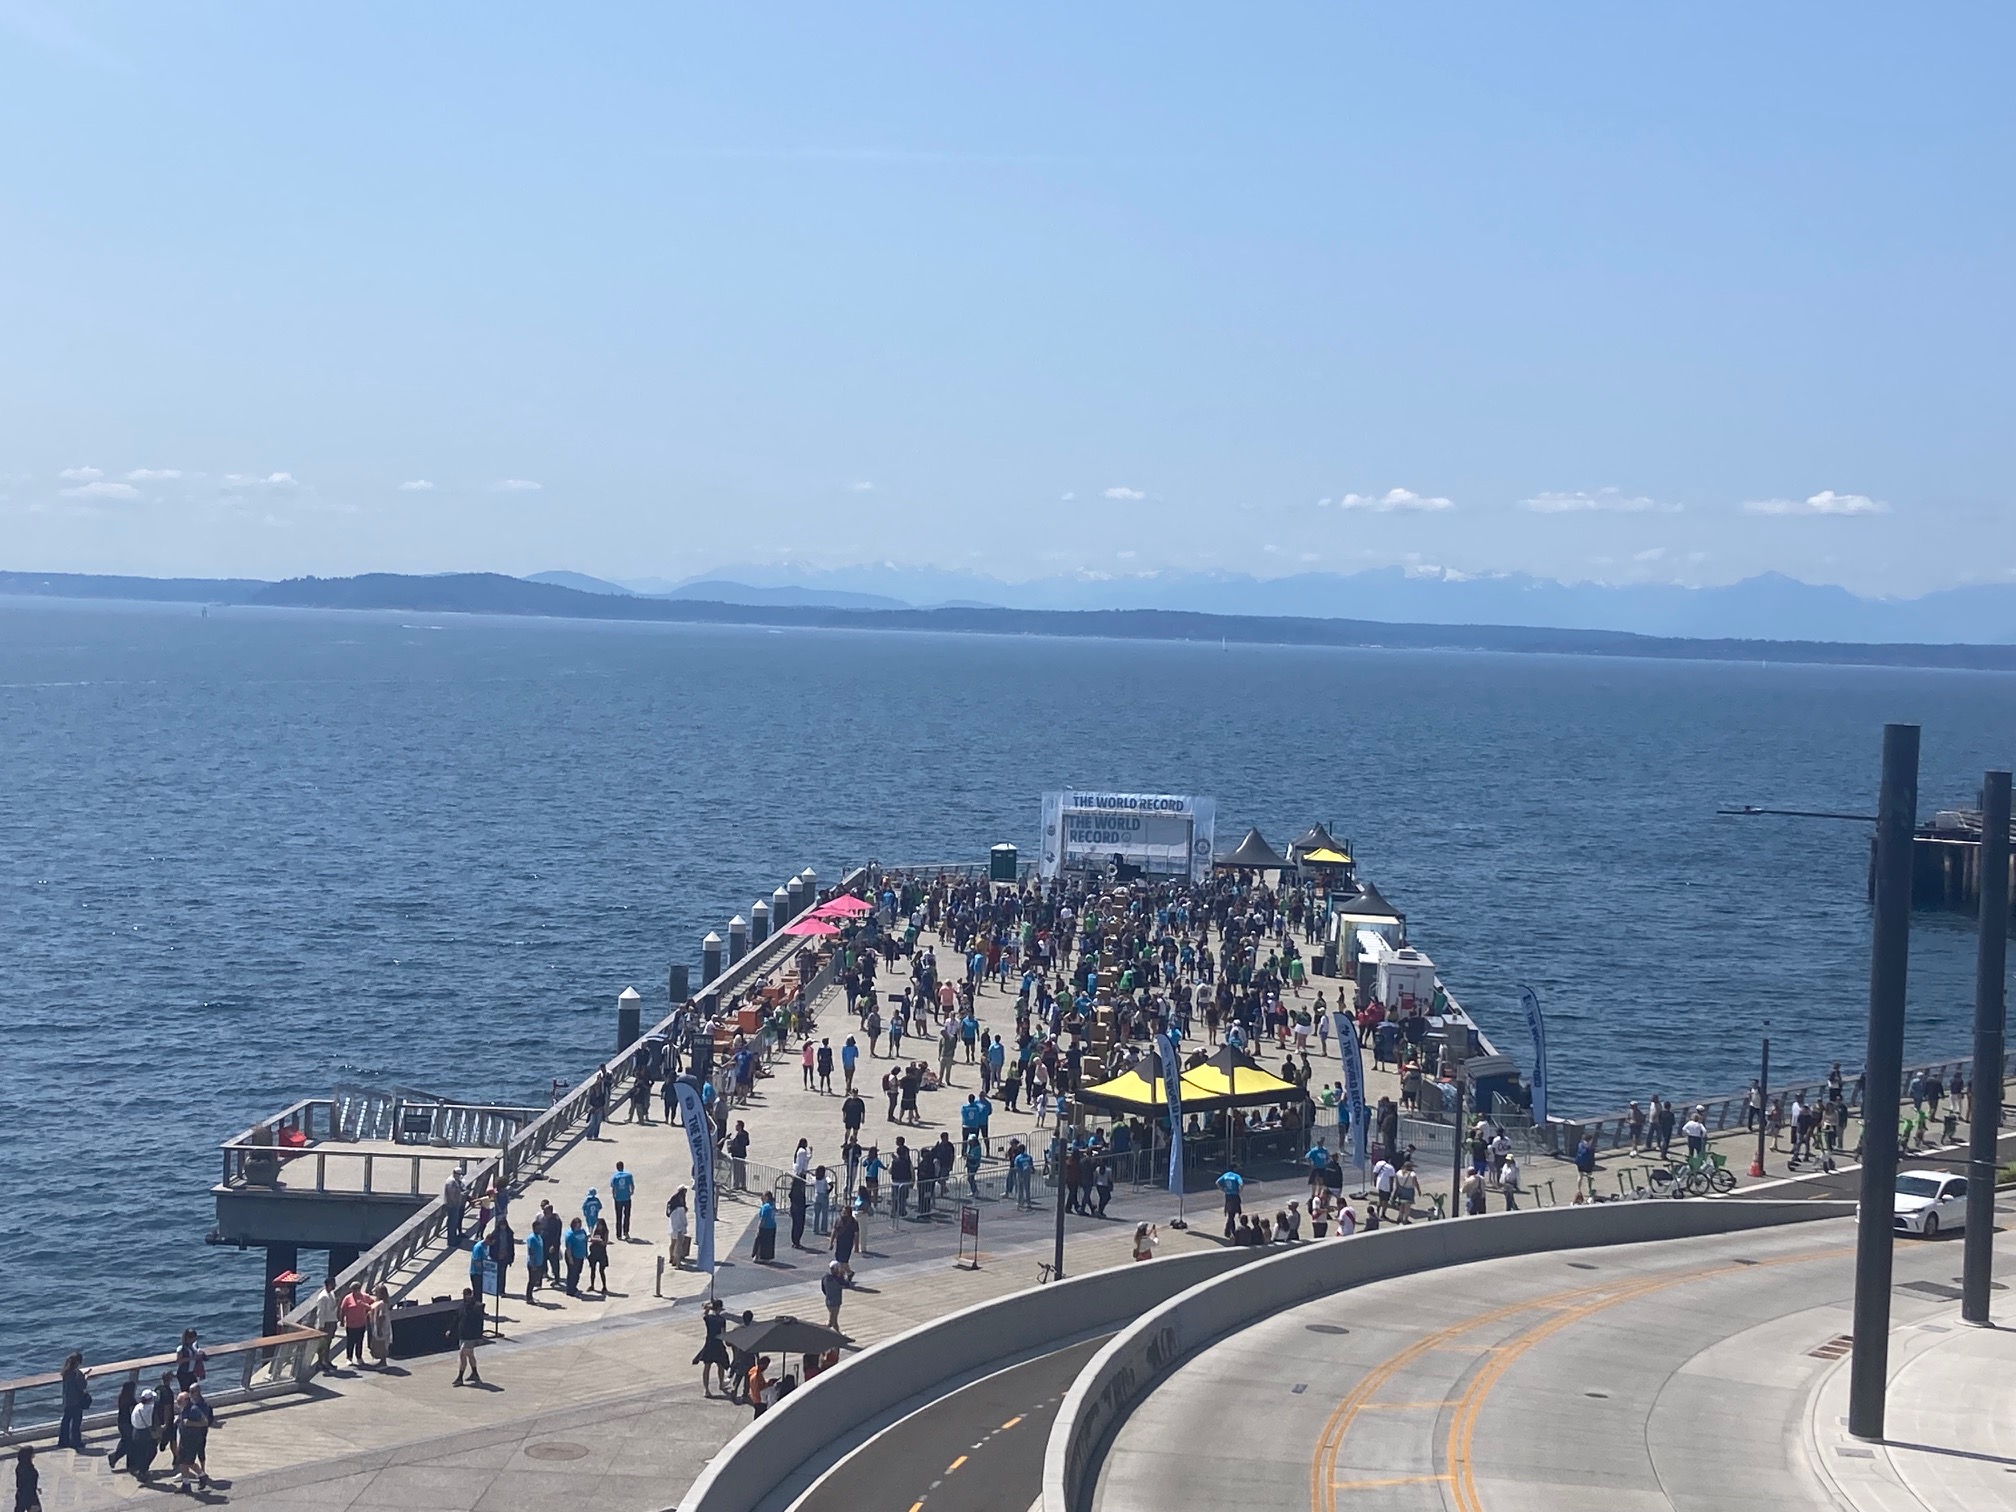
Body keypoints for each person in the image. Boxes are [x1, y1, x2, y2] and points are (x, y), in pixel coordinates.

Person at [171, 1384, 217, 1492]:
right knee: (184, 1462)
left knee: (187, 1462)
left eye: (179, 1401)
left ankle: (197, 1478)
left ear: (186, 1400)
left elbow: (205, 1422)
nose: (177, 1404)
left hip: (192, 1440)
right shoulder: (184, 1409)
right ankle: (189, 1482)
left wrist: (190, 1423)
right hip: (184, 1439)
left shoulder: (193, 1409)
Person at [693, 1300, 732, 1395]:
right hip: (718, 1344)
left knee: (707, 1366)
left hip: (709, 1343)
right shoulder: (722, 1320)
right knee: (721, 1365)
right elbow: (723, 1333)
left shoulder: (708, 1318)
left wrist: (708, 1308)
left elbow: (704, 1314)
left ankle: (706, 1389)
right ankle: (721, 1384)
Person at [57, 1354, 89, 1452]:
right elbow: (82, 1386)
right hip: (76, 1401)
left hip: (67, 1400)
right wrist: (85, 1377)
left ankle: (63, 1441)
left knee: (66, 1421)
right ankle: (76, 1441)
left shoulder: (65, 1372)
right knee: (76, 1423)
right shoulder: (77, 1373)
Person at [454, 1287, 485, 1386]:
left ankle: (460, 1377)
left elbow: (480, 1322)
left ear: (471, 1295)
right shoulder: (462, 1306)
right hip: (463, 1335)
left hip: (471, 1336)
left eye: (468, 1294)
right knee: (470, 1355)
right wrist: (450, 1330)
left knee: (462, 1354)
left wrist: (480, 1336)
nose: (466, 1297)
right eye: (464, 1295)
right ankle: (474, 1373)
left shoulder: (476, 1307)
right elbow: (457, 1319)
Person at [107, 1378, 139, 1471]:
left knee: (126, 1441)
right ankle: (116, 1457)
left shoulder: (122, 1397)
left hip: (121, 1422)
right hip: (127, 1423)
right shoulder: (130, 1400)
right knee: (130, 1443)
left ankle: (129, 1463)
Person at [339, 1281, 373, 1365]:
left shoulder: (365, 1296)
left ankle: (359, 1357)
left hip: (361, 1323)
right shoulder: (347, 1298)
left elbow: (372, 1304)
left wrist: (364, 1306)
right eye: (353, 1290)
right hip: (351, 1324)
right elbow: (342, 1309)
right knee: (350, 1342)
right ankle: (349, 1358)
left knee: (359, 1341)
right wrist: (342, 1321)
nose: (355, 1291)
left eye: (356, 1289)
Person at [830, 1205, 859, 1281]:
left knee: (843, 1262)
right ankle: (849, 1273)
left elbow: (856, 1234)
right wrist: (831, 1242)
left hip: (848, 1244)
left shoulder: (853, 1222)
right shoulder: (838, 1220)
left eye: (844, 1212)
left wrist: (856, 1246)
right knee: (840, 1261)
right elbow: (834, 1230)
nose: (842, 1214)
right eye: (842, 1212)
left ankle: (841, 1277)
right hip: (839, 1243)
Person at [1217, 1165, 1245, 1239]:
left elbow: (1217, 1182)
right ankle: (1230, 1231)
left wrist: (1223, 1189)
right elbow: (1241, 1184)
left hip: (1228, 1195)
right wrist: (1239, 1191)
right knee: (1232, 1215)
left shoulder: (1225, 1175)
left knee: (1230, 1213)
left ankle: (1229, 1230)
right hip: (1235, 1195)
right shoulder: (1236, 1176)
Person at [174, 1328, 207, 1392]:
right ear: (188, 1338)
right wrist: (192, 1358)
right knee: (185, 1391)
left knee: (195, 1390)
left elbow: (198, 1351)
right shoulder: (181, 1348)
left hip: (192, 1372)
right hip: (183, 1373)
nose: (195, 1339)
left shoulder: (193, 1345)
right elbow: (179, 1361)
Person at [666, 1188, 692, 1268]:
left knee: (673, 1244)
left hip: (672, 1228)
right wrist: (685, 1225)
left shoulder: (672, 1209)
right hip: (679, 1229)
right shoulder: (681, 1209)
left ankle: (671, 1257)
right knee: (679, 1246)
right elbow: (684, 1220)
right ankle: (677, 1263)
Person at [564, 1217, 589, 1295]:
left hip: (580, 1256)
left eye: (579, 1225)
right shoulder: (570, 1234)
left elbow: (585, 1242)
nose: (578, 1227)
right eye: (577, 1225)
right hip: (573, 1256)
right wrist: (570, 1258)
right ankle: (570, 1290)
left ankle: (574, 1287)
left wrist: (586, 1252)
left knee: (578, 1272)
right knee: (572, 1273)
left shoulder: (582, 1231)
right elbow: (568, 1248)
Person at [610, 1162, 635, 1240]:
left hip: (618, 1198)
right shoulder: (628, 1175)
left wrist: (614, 1196)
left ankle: (619, 1234)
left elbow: (613, 1187)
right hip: (627, 1198)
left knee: (618, 1216)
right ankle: (626, 1232)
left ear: (617, 1167)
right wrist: (631, 1192)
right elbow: (632, 1185)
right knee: (627, 1215)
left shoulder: (615, 1176)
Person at [822, 1260, 848, 1330]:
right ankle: (825, 1331)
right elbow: (847, 1284)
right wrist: (843, 1275)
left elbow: (823, 1289)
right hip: (836, 1303)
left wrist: (828, 1294)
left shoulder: (825, 1277)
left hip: (828, 1301)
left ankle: (838, 1334)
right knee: (832, 1321)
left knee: (834, 1320)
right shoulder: (839, 1280)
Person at [587, 1219, 611, 1293]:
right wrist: (593, 1240)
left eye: (600, 1225)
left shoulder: (605, 1232)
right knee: (592, 1270)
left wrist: (599, 1241)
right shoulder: (595, 1231)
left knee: (601, 1271)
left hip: (601, 1253)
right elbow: (591, 1239)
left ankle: (604, 1286)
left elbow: (604, 1243)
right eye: (597, 1225)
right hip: (594, 1252)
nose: (598, 1226)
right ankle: (592, 1285)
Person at [752, 1194, 778, 1261]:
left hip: (765, 1226)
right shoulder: (772, 1205)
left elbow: (762, 1218)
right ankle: (768, 1258)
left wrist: (759, 1228)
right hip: (772, 1226)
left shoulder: (765, 1207)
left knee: (760, 1242)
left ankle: (758, 1256)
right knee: (769, 1243)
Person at [13, 1448, 37, 1512]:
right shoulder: (27, 1469)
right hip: (30, 1496)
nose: (33, 1455)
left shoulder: (21, 1466)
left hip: (22, 1494)